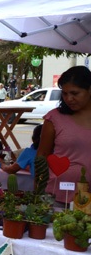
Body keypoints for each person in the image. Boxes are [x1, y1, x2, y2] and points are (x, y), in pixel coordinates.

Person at [37, 66, 91, 204]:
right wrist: (38, 192)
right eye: (65, 93)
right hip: (58, 198)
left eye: (75, 93)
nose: (69, 99)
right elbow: (42, 157)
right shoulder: (54, 118)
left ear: (89, 89)